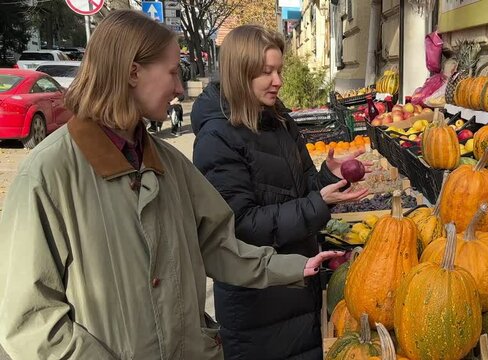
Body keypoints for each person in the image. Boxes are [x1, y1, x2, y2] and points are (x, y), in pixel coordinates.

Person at [0, 10, 343, 359]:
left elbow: (218, 244)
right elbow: (31, 321)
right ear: (134, 72)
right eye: (173, 72)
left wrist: (292, 267)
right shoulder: (47, 176)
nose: (180, 88)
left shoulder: (169, 163)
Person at [191, 25, 369, 360]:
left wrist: (326, 177)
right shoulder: (217, 139)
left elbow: (298, 194)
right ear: (240, 74)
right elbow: (240, 226)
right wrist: (318, 203)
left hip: (298, 287)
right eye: (267, 72)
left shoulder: (278, 118)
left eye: (279, 70)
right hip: (258, 306)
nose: (278, 81)